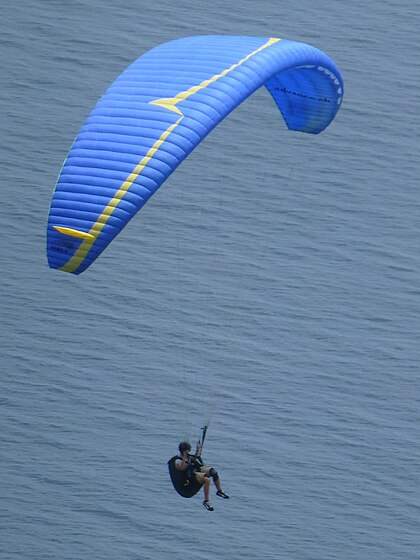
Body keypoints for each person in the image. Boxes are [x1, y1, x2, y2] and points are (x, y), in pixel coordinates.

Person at [175, 441, 229, 511]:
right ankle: (206, 501)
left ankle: (219, 491)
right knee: (206, 479)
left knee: (213, 472)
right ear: (185, 451)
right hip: (190, 476)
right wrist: (185, 459)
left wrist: (198, 449)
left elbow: (195, 458)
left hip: (196, 470)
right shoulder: (178, 460)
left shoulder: (189, 457)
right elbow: (182, 468)